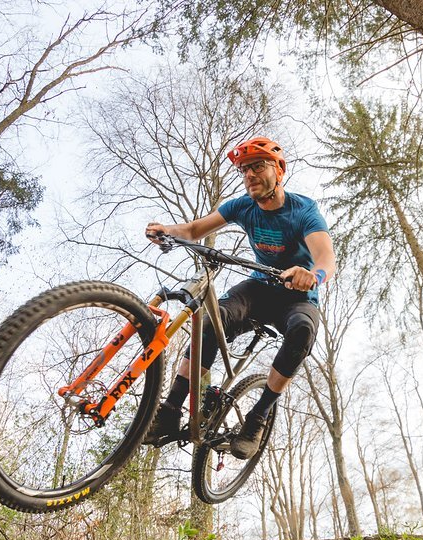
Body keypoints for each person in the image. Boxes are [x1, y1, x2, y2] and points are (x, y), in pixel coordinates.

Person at [143, 137, 336, 459]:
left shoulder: (303, 210)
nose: (250, 175)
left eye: (258, 167)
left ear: (279, 171)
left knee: (302, 330)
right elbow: (193, 231)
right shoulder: (241, 206)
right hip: (258, 288)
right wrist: (167, 230)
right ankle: (170, 409)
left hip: (297, 296)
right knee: (209, 321)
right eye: (244, 170)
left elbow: (326, 257)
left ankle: (257, 417)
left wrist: (312, 276)